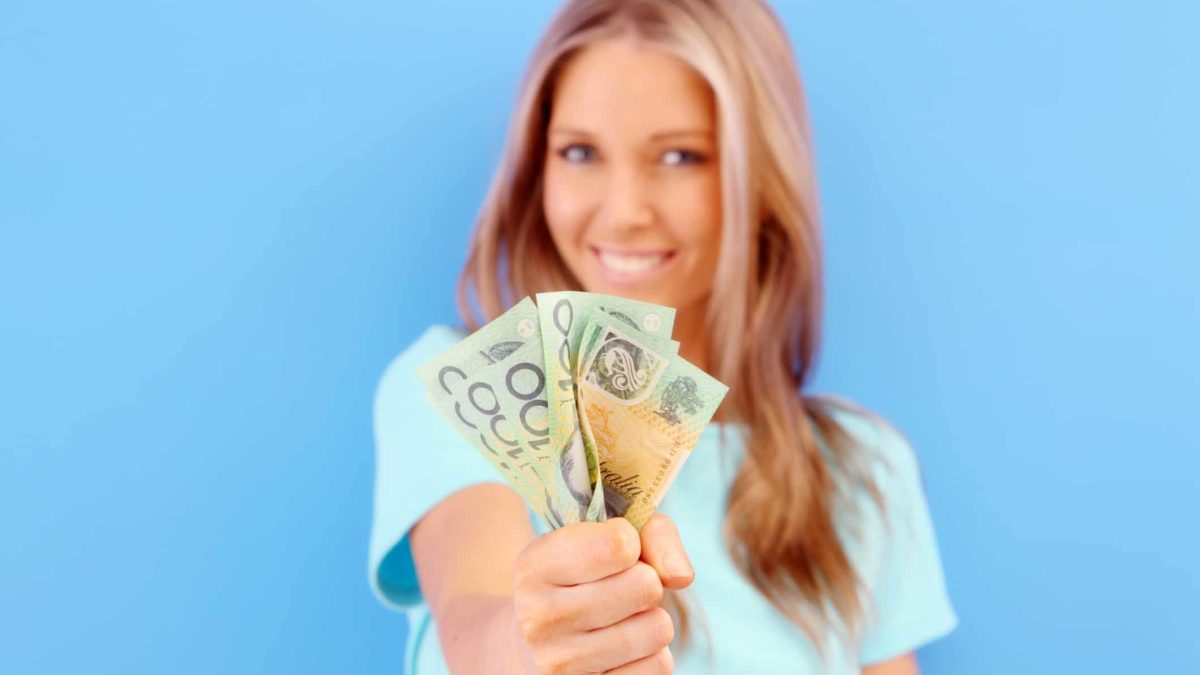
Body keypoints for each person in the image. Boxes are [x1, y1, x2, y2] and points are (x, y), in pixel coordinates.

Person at [369, 0, 958, 672]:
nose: (623, 212)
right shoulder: (464, 386)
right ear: (538, 171)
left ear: (759, 180)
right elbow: (475, 617)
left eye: (681, 156)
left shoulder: (863, 468)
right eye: (580, 151)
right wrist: (536, 646)